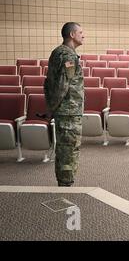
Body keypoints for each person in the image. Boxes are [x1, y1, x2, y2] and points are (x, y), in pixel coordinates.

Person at [44, 22, 85, 187]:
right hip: (69, 111)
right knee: (69, 149)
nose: (84, 35)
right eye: (81, 32)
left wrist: (51, 107)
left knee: (63, 148)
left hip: (63, 111)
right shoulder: (69, 57)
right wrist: (51, 108)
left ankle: (63, 181)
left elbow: (47, 83)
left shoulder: (56, 52)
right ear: (72, 35)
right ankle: (66, 184)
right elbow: (62, 85)